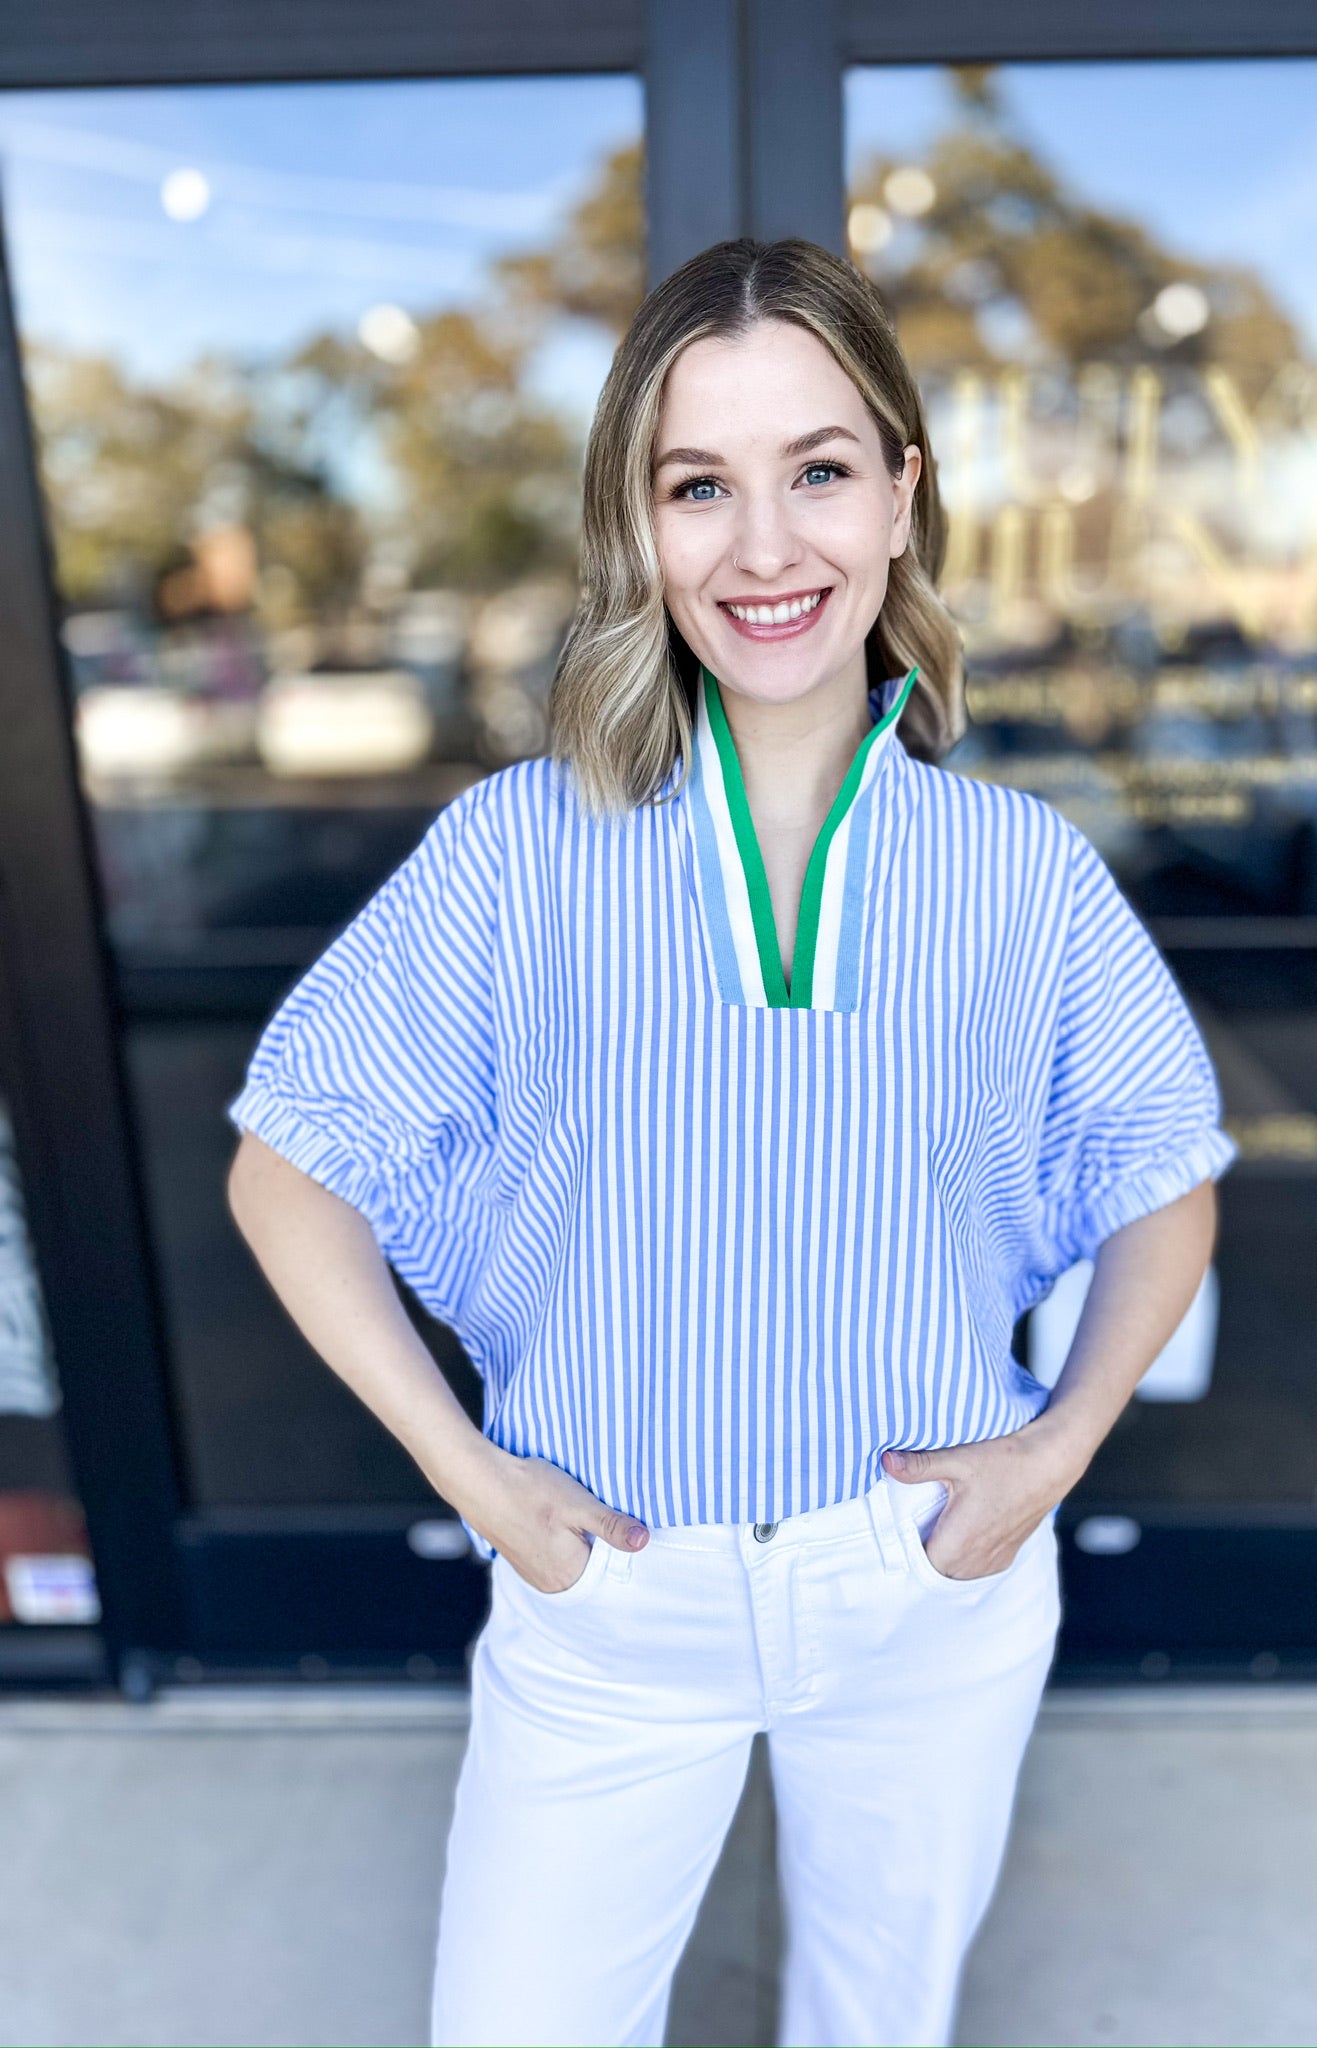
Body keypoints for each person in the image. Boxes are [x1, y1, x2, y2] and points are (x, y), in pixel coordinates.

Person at [225, 237, 1237, 2048]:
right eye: (702, 486)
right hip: (610, 1597)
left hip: (926, 1585)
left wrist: (1053, 1452)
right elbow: (286, 1168)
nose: (766, 550)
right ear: (643, 523)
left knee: (879, 2025)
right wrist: (475, 1481)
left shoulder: (1023, 872)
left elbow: (1168, 1179)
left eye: (820, 471)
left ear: (905, 496)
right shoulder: (520, 850)